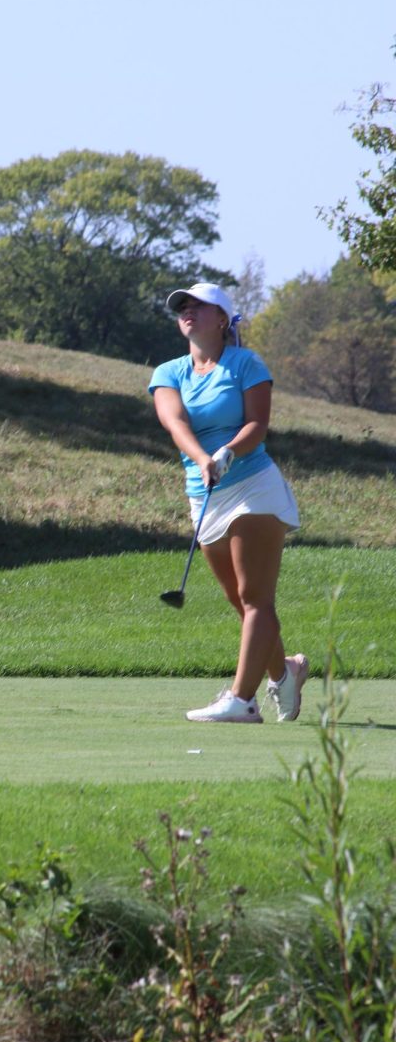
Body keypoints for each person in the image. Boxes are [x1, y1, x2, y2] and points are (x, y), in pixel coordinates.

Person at [148, 282, 308, 723]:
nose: (188, 312)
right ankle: (287, 670)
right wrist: (203, 459)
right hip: (205, 495)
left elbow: (258, 423)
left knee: (256, 598)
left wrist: (228, 453)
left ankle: (242, 700)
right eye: (183, 307)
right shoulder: (168, 372)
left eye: (199, 306)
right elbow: (174, 421)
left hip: (253, 486)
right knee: (243, 603)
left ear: (222, 319)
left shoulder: (245, 364)